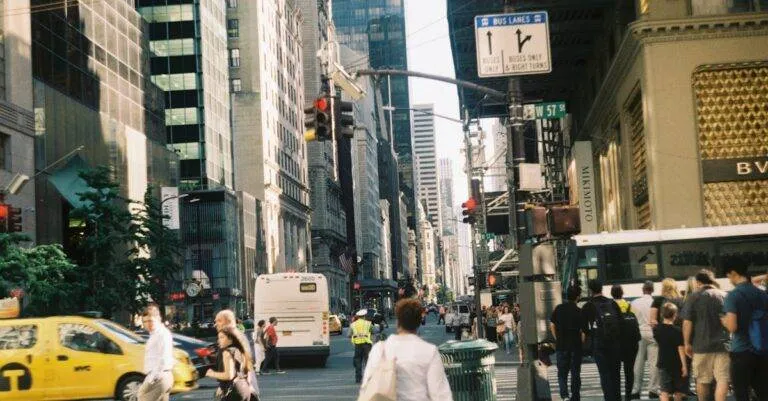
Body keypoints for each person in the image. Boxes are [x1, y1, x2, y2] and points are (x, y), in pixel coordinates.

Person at [361, 298, 453, 401]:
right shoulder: (429, 351)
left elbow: (366, 386)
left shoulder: (380, 349)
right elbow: (440, 394)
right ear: (419, 323)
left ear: (397, 321)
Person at [721, 256, 768, 401]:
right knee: (763, 391)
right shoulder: (762, 294)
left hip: (741, 351)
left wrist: (723, 320)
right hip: (762, 350)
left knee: (741, 393)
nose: (729, 279)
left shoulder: (733, 296)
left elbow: (732, 326)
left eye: (728, 275)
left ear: (734, 273)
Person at [681, 269, 729, 401]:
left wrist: (686, 343)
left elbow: (687, 323)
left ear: (698, 282)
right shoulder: (724, 295)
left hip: (701, 345)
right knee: (723, 378)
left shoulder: (693, 297)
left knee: (702, 379)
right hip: (723, 345)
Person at [582, 279, 622, 401]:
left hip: (599, 344)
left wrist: (592, 335)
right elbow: (621, 322)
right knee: (616, 374)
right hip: (615, 343)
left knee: (605, 375)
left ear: (590, 290)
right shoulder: (612, 303)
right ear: (601, 288)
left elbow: (584, 327)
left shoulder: (587, 306)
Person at [550, 285, 585, 401]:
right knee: (575, 373)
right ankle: (575, 396)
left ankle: (564, 396)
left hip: (561, 345)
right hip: (575, 346)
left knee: (562, 373)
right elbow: (583, 332)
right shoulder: (579, 311)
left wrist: (557, 338)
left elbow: (552, 325)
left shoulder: (559, 308)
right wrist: (582, 343)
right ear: (578, 297)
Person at [630, 280, 660, 399]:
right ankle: (653, 389)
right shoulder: (655, 302)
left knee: (638, 362)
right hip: (653, 334)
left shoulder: (634, 303)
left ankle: (636, 389)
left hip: (640, 333)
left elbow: (631, 319)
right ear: (652, 290)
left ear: (643, 290)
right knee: (654, 363)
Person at [206, 327, 253, 401]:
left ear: (231, 339)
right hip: (245, 388)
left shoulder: (226, 352)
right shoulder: (241, 350)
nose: (219, 341)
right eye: (218, 338)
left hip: (233, 390)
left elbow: (229, 375)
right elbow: (248, 371)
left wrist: (211, 373)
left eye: (222, 337)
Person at [138, 305, 174, 401]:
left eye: (150, 320)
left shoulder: (161, 334)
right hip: (161, 377)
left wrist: (151, 379)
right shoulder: (155, 334)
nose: (148, 324)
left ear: (158, 318)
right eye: (145, 321)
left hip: (159, 377)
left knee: (142, 397)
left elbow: (163, 357)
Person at [654, 303, 688, 401]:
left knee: (664, 391)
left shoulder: (657, 330)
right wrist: (684, 366)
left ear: (661, 314)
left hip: (663, 363)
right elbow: (680, 349)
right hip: (676, 364)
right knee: (678, 391)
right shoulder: (677, 331)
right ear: (675, 315)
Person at [612, 284, 640, 401]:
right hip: (631, 343)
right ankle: (628, 395)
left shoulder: (610, 305)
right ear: (622, 293)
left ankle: (617, 395)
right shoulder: (630, 306)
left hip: (617, 342)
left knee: (615, 370)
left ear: (612, 294)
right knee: (629, 370)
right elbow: (636, 320)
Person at [349, 309, 374, 383]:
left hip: (358, 345)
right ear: (364, 316)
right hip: (367, 345)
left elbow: (348, 334)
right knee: (367, 361)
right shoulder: (368, 323)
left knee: (358, 361)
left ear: (358, 317)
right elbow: (374, 331)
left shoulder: (353, 324)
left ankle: (358, 378)